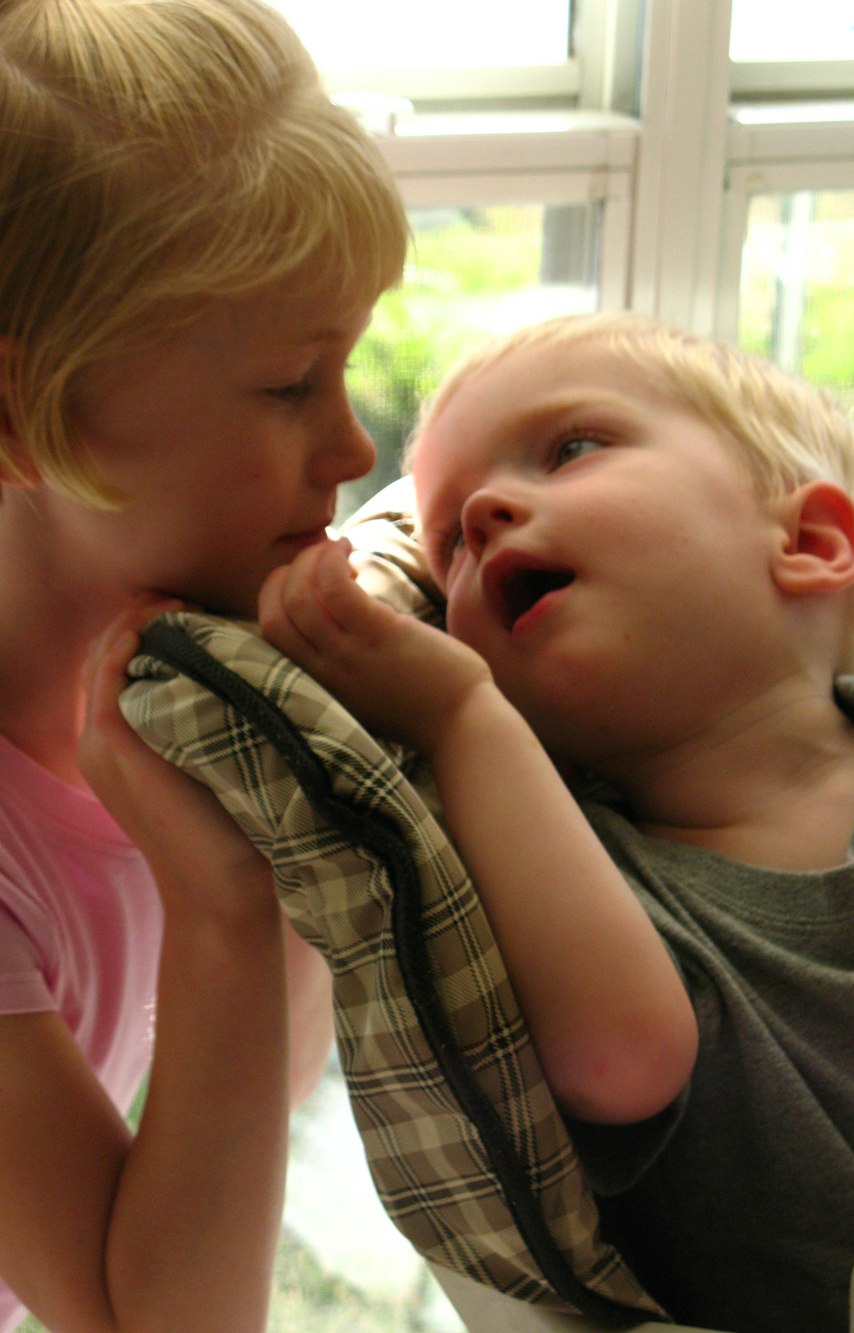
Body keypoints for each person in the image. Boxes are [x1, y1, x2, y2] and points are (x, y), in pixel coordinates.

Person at [259, 312, 854, 1333]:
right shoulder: (580, 882)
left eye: (570, 448)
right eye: (446, 542)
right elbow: (623, 1058)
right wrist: (458, 714)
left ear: (807, 540)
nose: (480, 514)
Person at [0, 0, 408, 1327]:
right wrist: (229, 903)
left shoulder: (154, 705)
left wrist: (292, 799)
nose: (351, 446)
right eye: (293, 386)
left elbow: (250, 1111)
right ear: (26, 417)